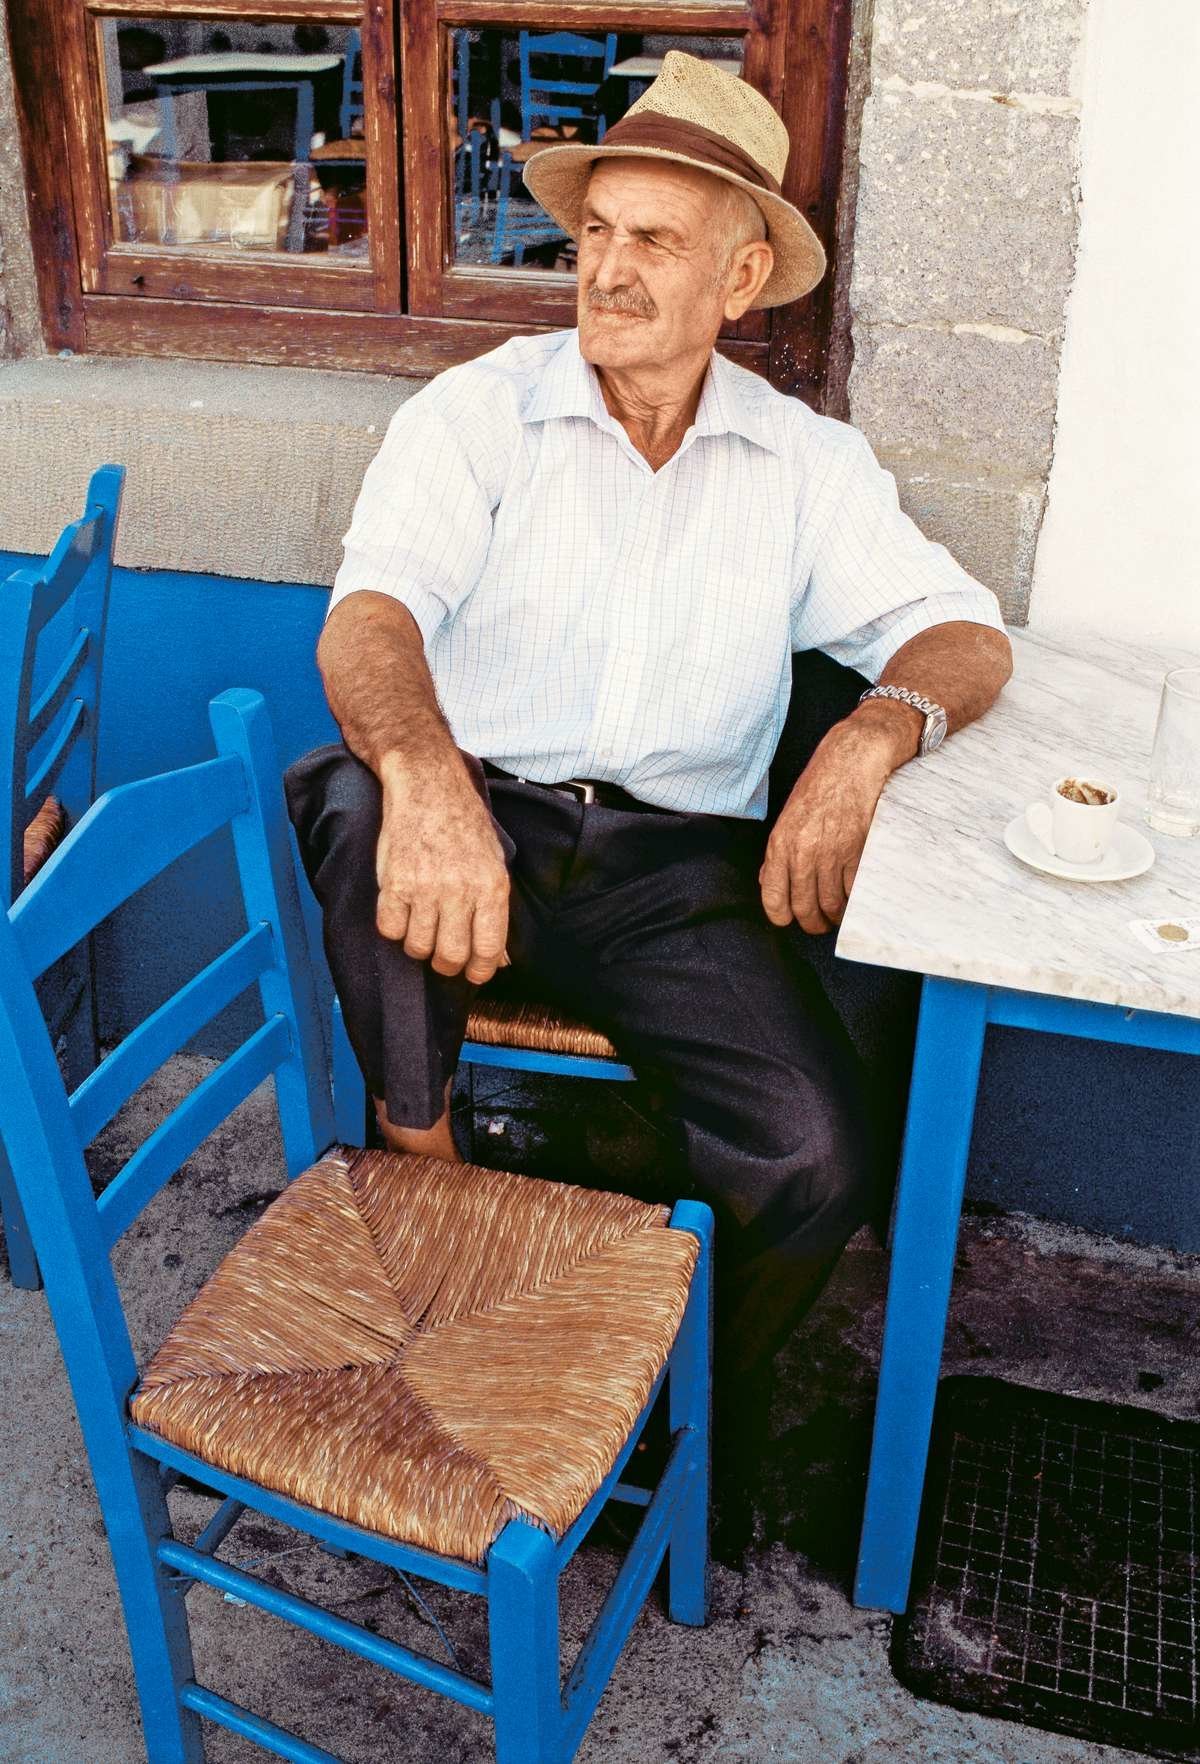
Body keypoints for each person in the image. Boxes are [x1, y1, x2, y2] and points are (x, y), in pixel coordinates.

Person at [287, 52, 1012, 1549]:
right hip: (477, 829)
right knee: (359, 800)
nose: (606, 271)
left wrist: (870, 736)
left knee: (816, 1154)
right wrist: (427, 772)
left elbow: (962, 633)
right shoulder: (478, 414)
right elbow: (371, 618)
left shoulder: (805, 464)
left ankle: (657, 1426)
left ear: (741, 279)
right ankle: (429, 1185)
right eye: (596, 232)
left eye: (655, 242)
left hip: (675, 876)